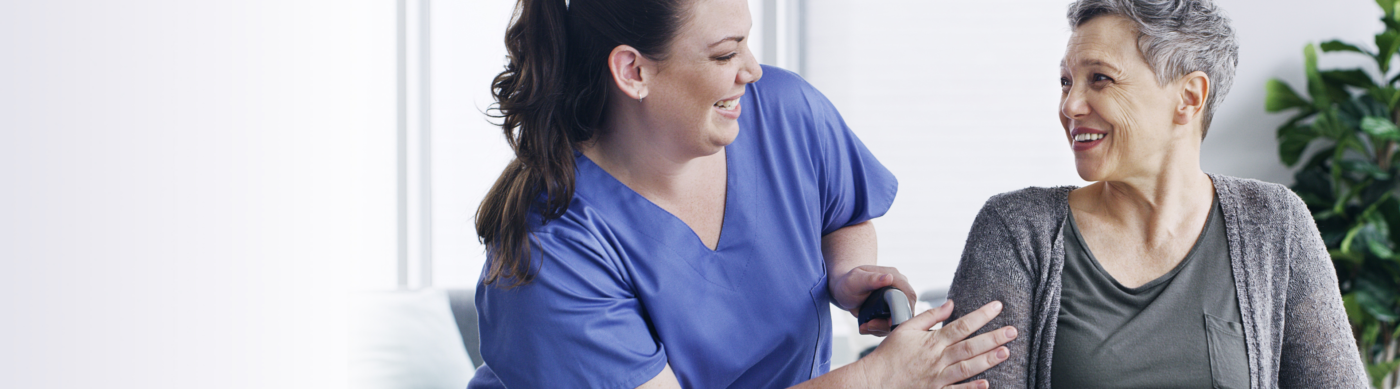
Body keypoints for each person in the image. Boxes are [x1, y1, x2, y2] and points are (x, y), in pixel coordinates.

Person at [470, 0, 1016, 388]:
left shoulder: (785, 112)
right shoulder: (548, 249)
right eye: (725, 54)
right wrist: (878, 377)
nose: (752, 70)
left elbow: (841, 214)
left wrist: (845, 274)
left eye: (747, 42)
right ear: (633, 70)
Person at [943, 0, 1369, 388]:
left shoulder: (1276, 224)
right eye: (1066, 81)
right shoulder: (1016, 231)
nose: (1070, 105)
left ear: (1189, 96)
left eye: (1100, 79)